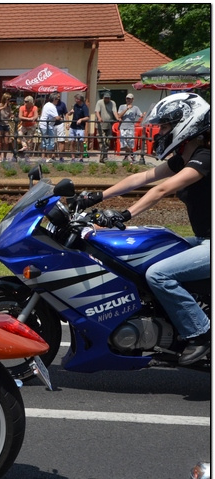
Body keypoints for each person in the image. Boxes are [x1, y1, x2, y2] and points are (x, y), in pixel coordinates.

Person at [89, 93, 210, 365]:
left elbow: (163, 189)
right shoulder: (184, 157)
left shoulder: (206, 157)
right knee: (152, 250)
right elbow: (143, 177)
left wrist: (125, 213)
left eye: (166, 126)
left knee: (159, 274)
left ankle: (200, 334)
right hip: (205, 240)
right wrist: (97, 196)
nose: (162, 132)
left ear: (188, 124)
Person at [116, 93, 144, 163]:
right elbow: (119, 115)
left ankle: (126, 157)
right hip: (123, 127)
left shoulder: (136, 108)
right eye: (127, 98)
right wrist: (127, 108)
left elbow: (141, 115)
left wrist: (144, 115)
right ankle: (132, 155)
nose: (128, 100)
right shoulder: (122, 106)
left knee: (130, 144)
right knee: (123, 144)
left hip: (131, 127)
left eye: (130, 99)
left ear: (132, 100)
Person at [94, 90, 117, 162]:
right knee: (102, 141)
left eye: (108, 98)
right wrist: (99, 118)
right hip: (101, 125)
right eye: (105, 98)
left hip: (109, 125)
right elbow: (97, 111)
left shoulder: (112, 103)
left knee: (108, 141)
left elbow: (114, 111)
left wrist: (117, 118)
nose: (107, 99)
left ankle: (104, 156)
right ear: (103, 97)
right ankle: (103, 157)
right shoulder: (99, 102)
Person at [69, 93, 90, 161]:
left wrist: (81, 119)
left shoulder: (84, 107)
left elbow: (87, 117)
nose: (75, 100)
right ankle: (73, 157)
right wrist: (70, 112)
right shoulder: (75, 106)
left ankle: (81, 158)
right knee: (72, 142)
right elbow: (69, 114)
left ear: (80, 99)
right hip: (73, 126)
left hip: (80, 127)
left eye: (76, 99)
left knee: (81, 142)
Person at [39, 94, 59, 162]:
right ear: (54, 99)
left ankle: (43, 158)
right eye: (57, 99)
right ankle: (48, 158)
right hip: (47, 126)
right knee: (50, 142)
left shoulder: (46, 104)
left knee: (44, 141)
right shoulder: (52, 107)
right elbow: (57, 117)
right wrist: (60, 117)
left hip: (42, 125)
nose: (58, 101)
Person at [0, 92, 14, 161]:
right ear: (4, 99)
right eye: (8, 99)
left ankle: (5, 157)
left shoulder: (9, 107)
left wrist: (12, 116)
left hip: (6, 125)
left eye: (9, 99)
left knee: (6, 142)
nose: (9, 100)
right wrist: (3, 107)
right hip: (0, 124)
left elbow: (10, 114)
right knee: (0, 142)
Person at [52, 93, 69, 161]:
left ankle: (61, 156)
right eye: (57, 97)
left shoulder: (62, 104)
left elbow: (66, 114)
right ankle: (53, 156)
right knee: (52, 141)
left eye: (59, 96)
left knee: (61, 140)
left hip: (60, 124)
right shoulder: (51, 104)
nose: (58, 98)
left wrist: (67, 123)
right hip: (51, 124)